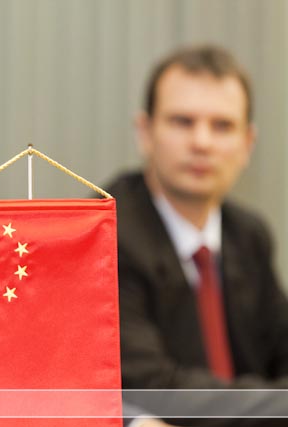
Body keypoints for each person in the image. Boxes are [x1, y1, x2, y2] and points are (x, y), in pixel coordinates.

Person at [107, 45, 288, 424]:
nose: (202, 142)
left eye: (222, 126)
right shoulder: (103, 234)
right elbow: (151, 388)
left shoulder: (248, 234)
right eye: (183, 122)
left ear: (248, 144)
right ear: (145, 133)